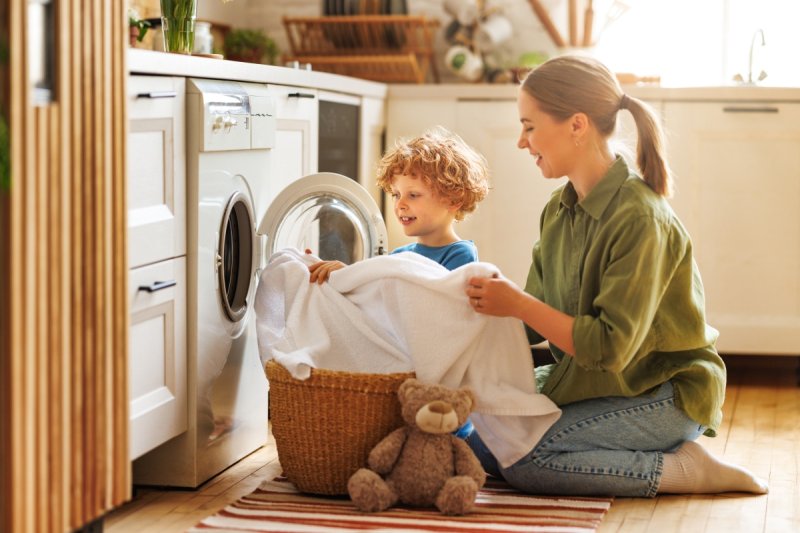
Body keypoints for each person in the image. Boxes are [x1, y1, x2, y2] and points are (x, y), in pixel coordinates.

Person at [463, 55, 768, 497]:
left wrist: (516, 302)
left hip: (665, 393)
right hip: (603, 385)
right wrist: (459, 306)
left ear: (577, 125)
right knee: (486, 448)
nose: (520, 142)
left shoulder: (641, 217)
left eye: (529, 127)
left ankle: (686, 469)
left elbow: (608, 348)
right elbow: (530, 322)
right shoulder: (558, 210)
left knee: (528, 463)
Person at [307, 126, 491, 283]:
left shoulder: (460, 254)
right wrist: (342, 272)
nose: (400, 204)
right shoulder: (399, 256)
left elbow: (436, 303)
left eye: (413, 195)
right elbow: (374, 292)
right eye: (396, 194)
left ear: (453, 200)